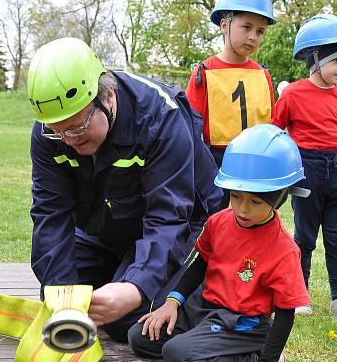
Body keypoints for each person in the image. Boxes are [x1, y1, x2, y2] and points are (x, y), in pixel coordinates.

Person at [27, 37, 223, 342]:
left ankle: (216, 317)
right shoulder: (49, 131)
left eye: (77, 127)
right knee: (61, 299)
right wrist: (61, 297)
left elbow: (168, 219)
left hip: (185, 227)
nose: (68, 140)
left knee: (130, 322)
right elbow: (51, 214)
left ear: (107, 96)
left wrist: (135, 287)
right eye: (57, 131)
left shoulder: (161, 119)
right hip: (106, 229)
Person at [128, 124, 310, 362]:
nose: (242, 209)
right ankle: (206, 343)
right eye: (235, 196)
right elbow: (201, 263)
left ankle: (252, 361)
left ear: (281, 196)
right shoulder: (220, 221)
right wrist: (172, 302)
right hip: (204, 308)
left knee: (177, 354)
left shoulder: (284, 250)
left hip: (241, 323)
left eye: (255, 201)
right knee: (140, 337)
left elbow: (287, 313)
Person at [272, 14, 337, 322]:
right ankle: (300, 295)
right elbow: (278, 133)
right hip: (307, 173)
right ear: (315, 59)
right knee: (305, 237)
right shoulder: (292, 94)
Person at [185, 0, 276, 207]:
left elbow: (270, 123)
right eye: (246, 27)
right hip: (213, 164)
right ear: (224, 25)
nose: (253, 36)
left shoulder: (263, 75)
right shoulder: (204, 72)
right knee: (212, 223)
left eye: (260, 31)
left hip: (253, 165)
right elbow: (189, 126)